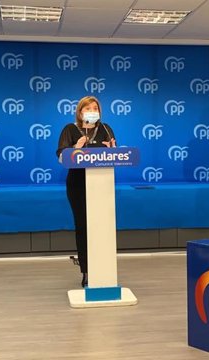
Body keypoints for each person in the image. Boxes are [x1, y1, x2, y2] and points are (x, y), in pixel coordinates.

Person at [56, 96, 116, 288]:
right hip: (78, 185)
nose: (92, 111)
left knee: (102, 227)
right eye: (88, 108)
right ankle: (86, 271)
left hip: (102, 185)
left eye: (95, 107)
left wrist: (112, 151)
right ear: (80, 112)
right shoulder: (70, 129)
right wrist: (76, 147)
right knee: (83, 227)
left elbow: (117, 155)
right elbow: (62, 158)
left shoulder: (105, 129)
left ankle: (103, 269)